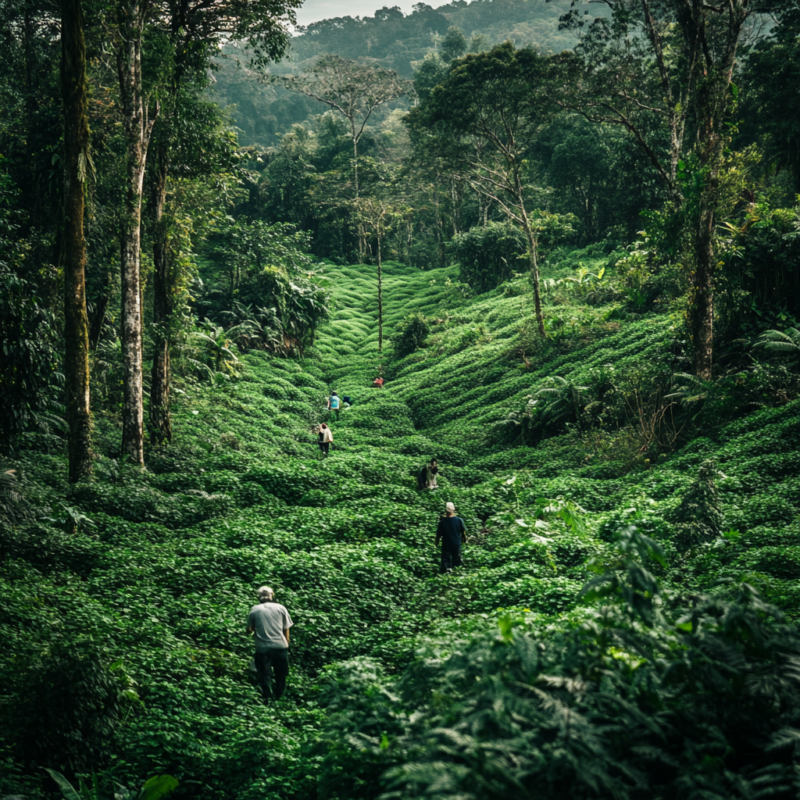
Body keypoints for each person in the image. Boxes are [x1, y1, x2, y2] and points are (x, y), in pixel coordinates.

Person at [247, 586, 293, 702]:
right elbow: (286, 628)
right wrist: (286, 643)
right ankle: (279, 697)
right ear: (272, 595)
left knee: (264, 674)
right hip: (280, 645)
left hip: (262, 648)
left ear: (259, 597)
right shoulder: (281, 608)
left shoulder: (254, 609)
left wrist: (254, 628)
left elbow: (249, 629)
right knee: (281, 674)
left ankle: (267, 698)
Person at [435, 501, 467, 574]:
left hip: (446, 543)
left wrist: (436, 542)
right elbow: (463, 531)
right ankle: (456, 572)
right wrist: (464, 539)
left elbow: (438, 534)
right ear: (453, 509)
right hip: (456, 543)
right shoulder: (459, 520)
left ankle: (446, 571)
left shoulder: (442, 521)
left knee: (446, 558)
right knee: (456, 557)